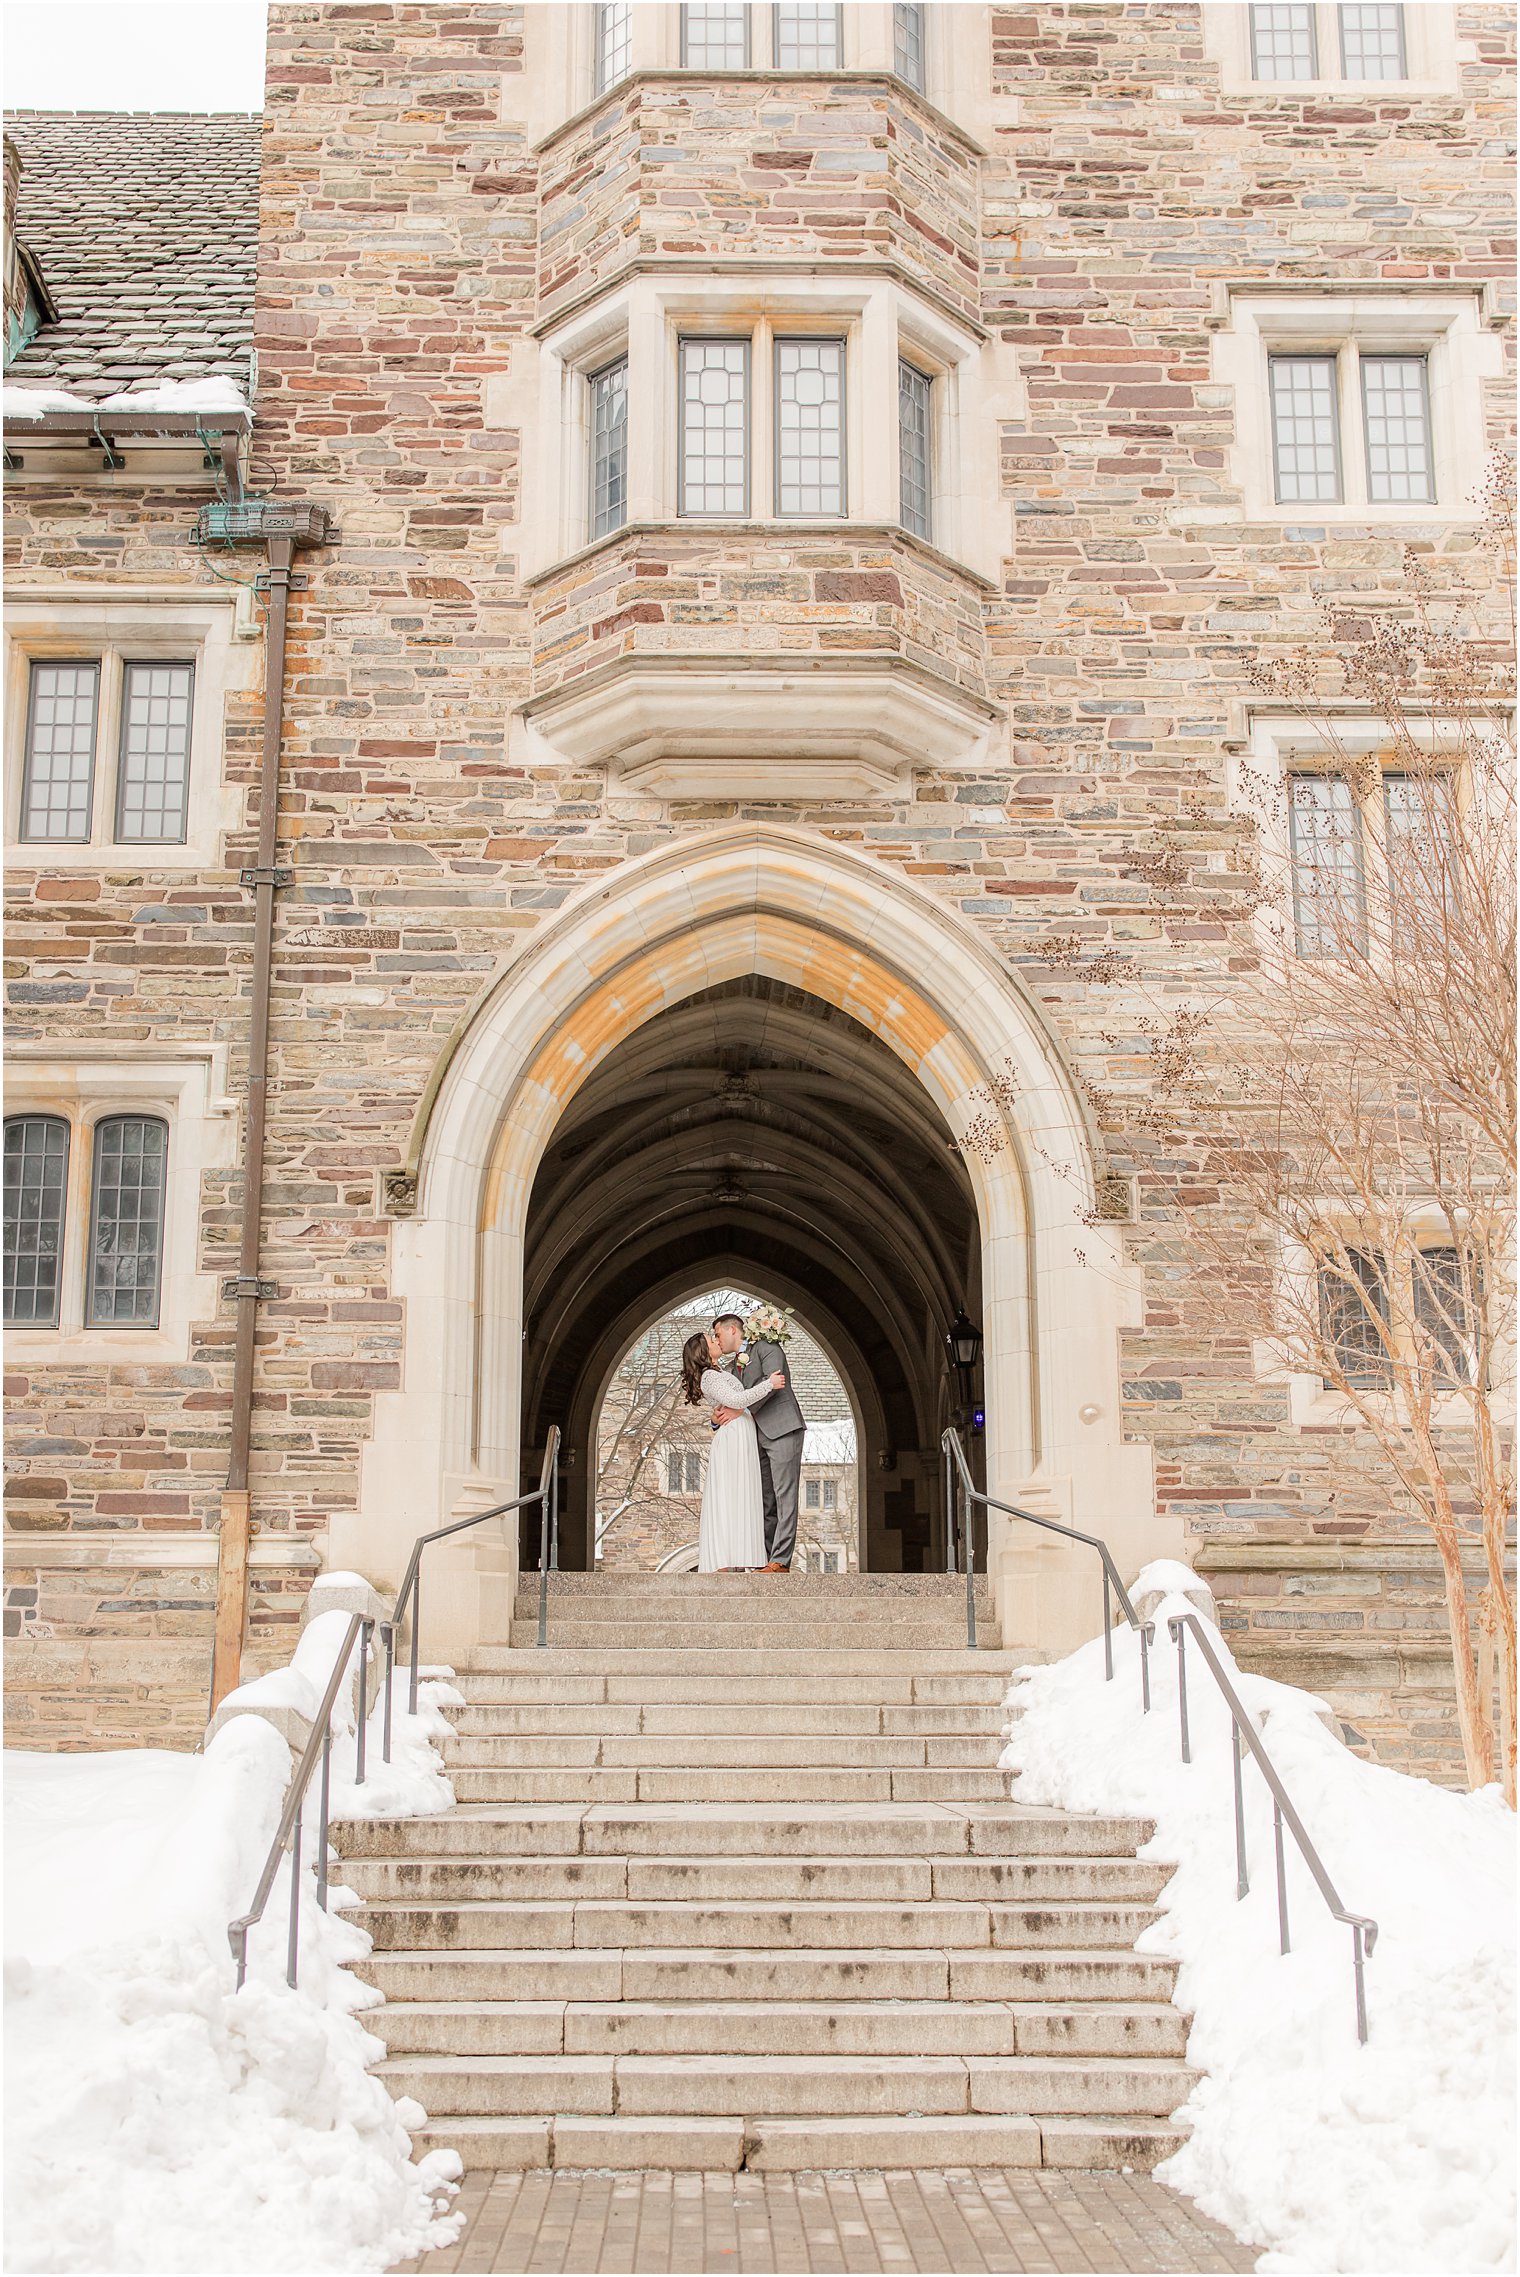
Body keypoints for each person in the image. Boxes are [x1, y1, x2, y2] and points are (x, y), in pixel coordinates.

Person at [679, 1330, 786, 1574]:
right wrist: (769, 1384)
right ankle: (722, 1564)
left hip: (741, 1435)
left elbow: (731, 1403)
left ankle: (740, 1558)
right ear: (703, 1352)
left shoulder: (718, 1372)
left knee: (742, 1498)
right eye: (711, 1340)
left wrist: (717, 1417)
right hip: (733, 1439)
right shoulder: (709, 1377)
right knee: (730, 1499)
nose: (716, 1341)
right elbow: (735, 1400)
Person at [710, 1311, 807, 1572]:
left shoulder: (766, 1346)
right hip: (755, 1438)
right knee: (764, 1501)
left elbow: (774, 1382)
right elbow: (729, 1402)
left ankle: (781, 1560)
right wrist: (717, 1417)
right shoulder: (730, 1368)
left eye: (718, 1334)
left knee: (785, 1496)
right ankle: (764, 1559)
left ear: (733, 1330)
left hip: (782, 1428)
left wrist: (742, 1409)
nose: (716, 1341)